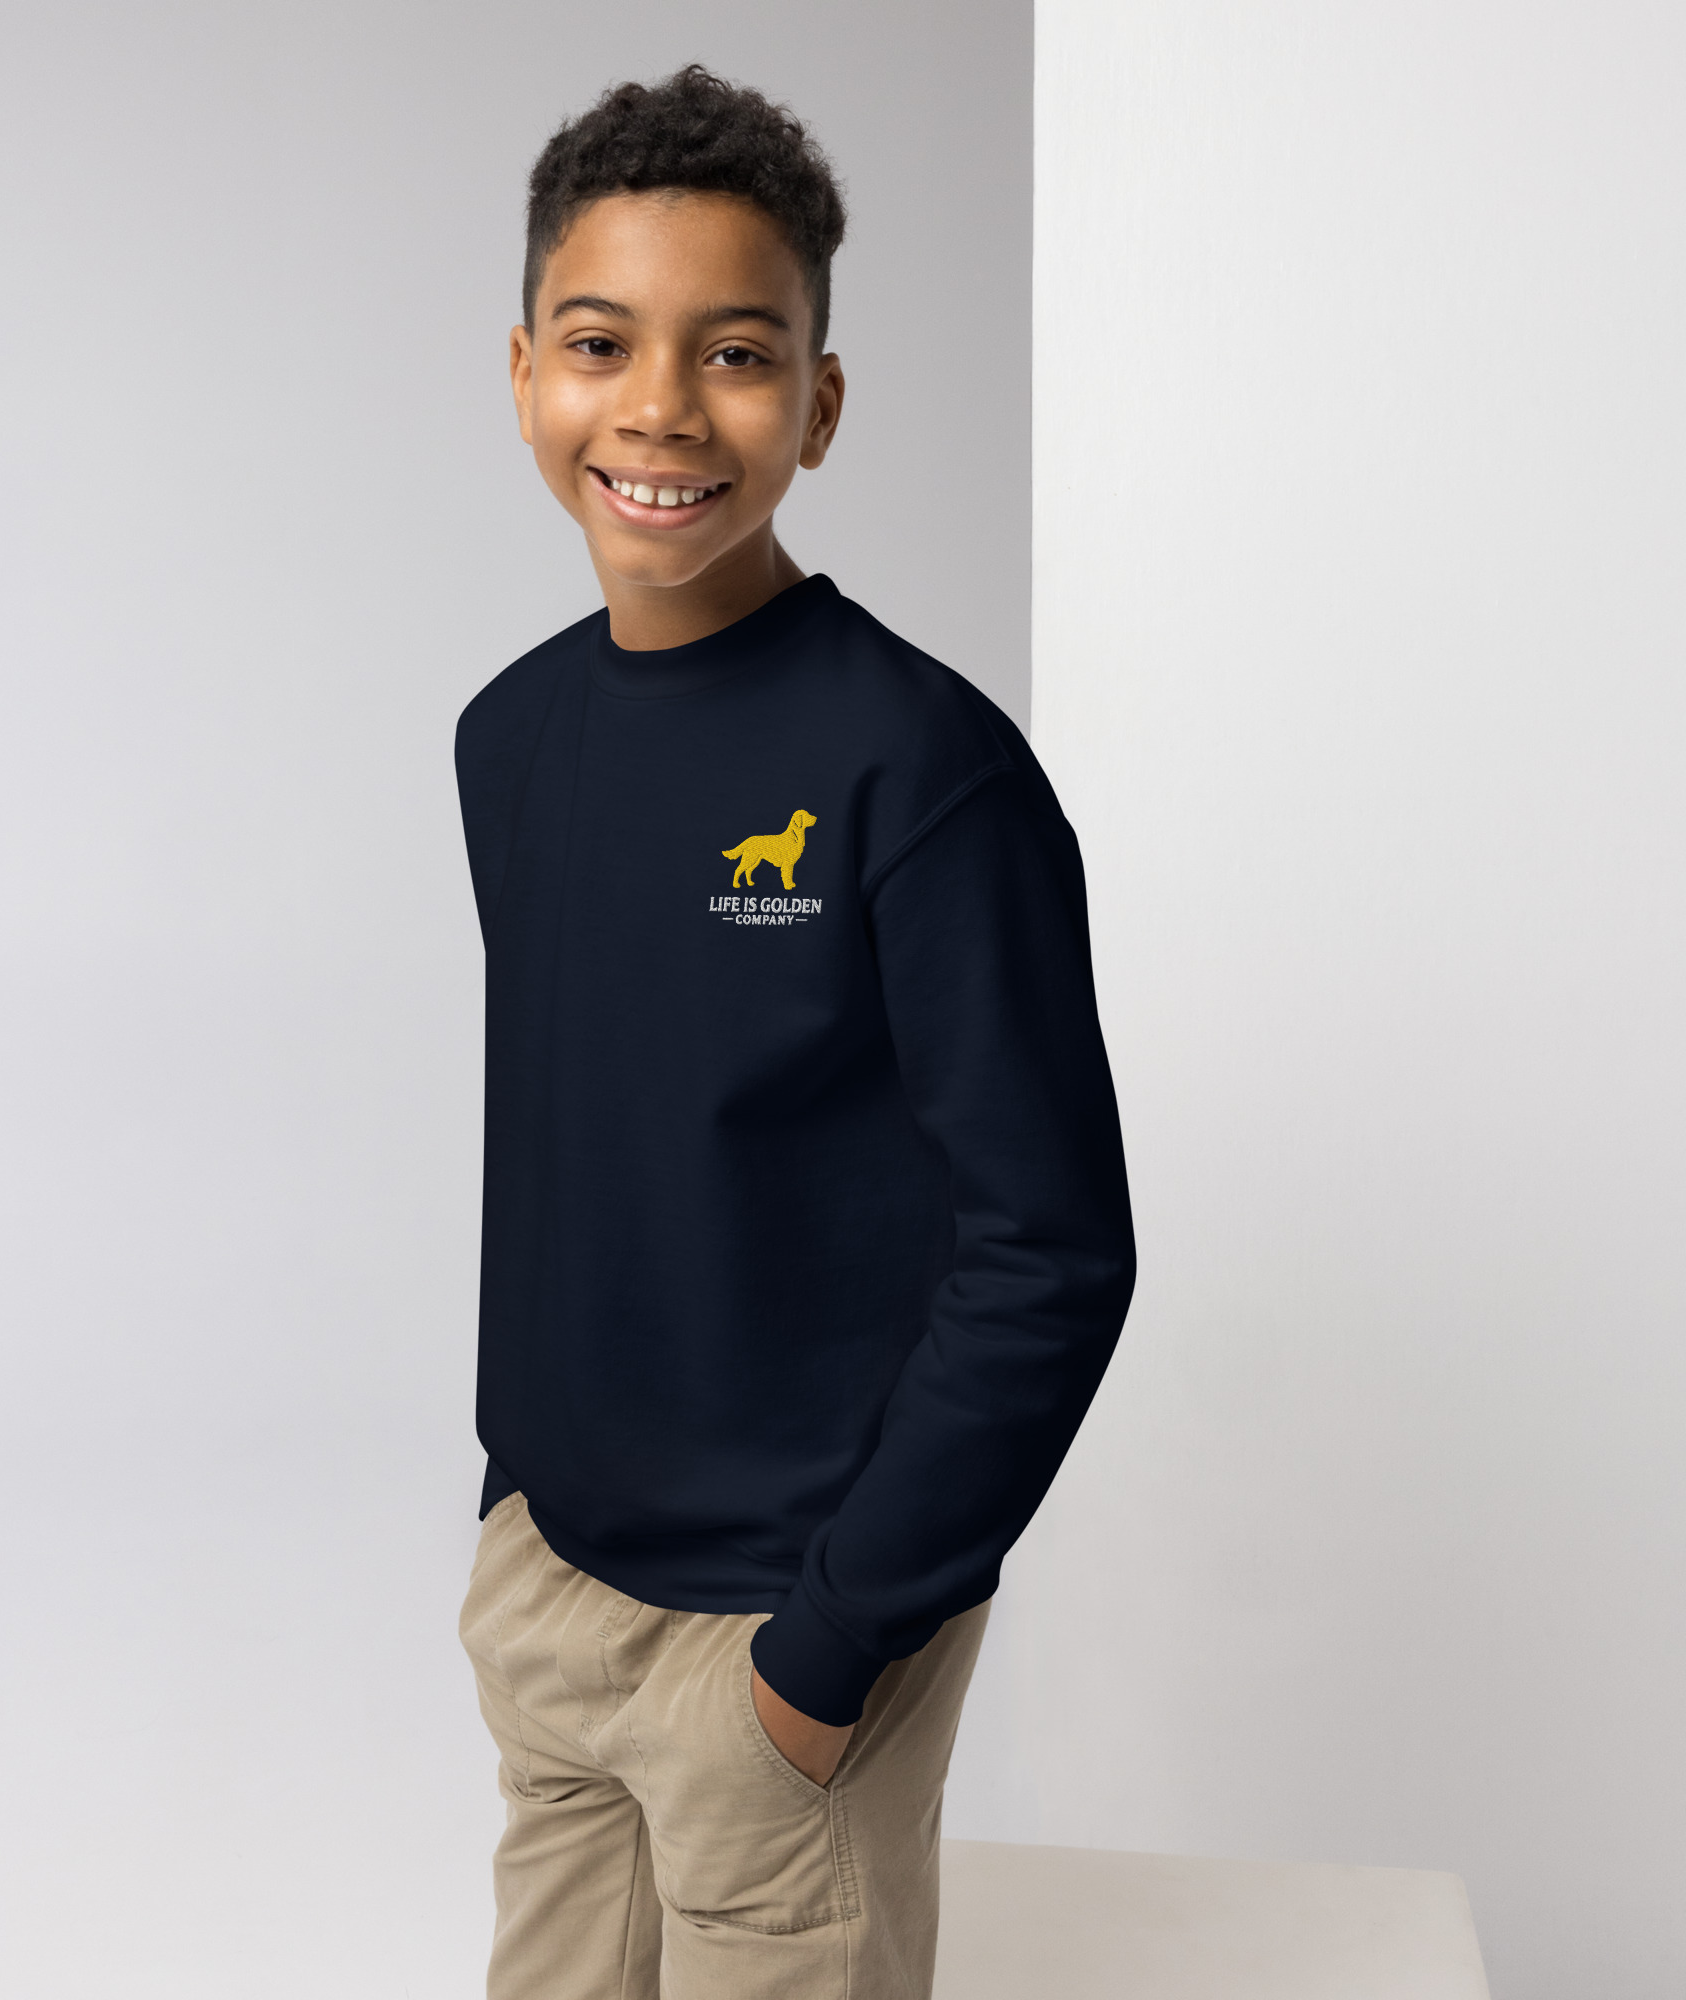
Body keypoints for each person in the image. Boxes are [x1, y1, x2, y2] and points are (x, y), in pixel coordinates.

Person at [452, 64, 1135, 2000]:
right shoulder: (511, 736)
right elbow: (583, 1137)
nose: (662, 406)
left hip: (784, 1631)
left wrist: (826, 1650)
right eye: (602, 343)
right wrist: (514, 1499)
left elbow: (1051, 1249)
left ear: (819, 406)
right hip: (554, 1591)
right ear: (525, 374)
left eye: (737, 353)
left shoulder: (921, 770)